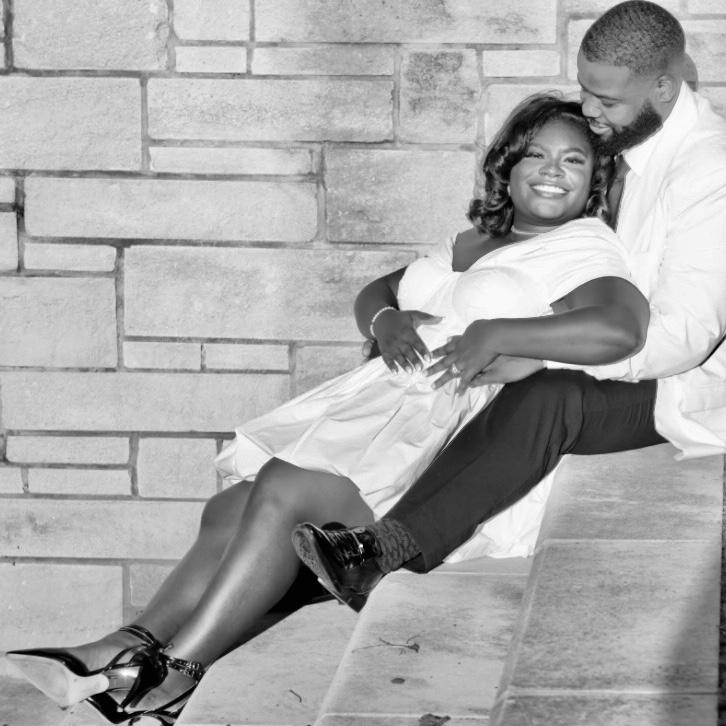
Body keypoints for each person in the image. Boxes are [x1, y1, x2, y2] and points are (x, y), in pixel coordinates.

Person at [4, 99, 649, 724]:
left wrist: (503, 335)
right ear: (507, 165)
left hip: (447, 429)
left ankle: (176, 672)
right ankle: (125, 647)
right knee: (231, 508)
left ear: (594, 178)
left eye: (573, 160)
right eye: (536, 154)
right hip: (381, 408)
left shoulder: (583, 246)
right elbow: (380, 290)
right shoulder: (471, 239)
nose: (552, 171)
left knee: (286, 488)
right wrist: (385, 318)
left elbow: (619, 329)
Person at [292, 0, 726, 612]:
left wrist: (537, 352)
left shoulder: (709, 172)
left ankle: (388, 550)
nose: (588, 111)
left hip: (688, 388)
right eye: (585, 90)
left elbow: (683, 337)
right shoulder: (632, 141)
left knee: (549, 397)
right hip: (610, 345)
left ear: (663, 87)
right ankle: (323, 549)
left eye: (606, 100)